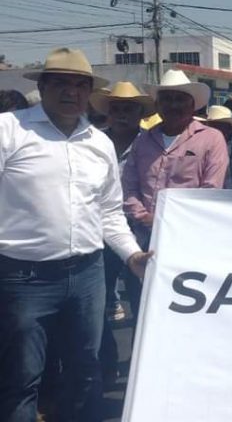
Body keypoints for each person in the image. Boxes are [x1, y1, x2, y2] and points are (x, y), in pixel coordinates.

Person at [0, 48, 151, 422]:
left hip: (87, 274)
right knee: (22, 377)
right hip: (23, 276)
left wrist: (132, 256)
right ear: (45, 86)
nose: (71, 92)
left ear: (89, 92)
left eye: (80, 85)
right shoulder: (10, 130)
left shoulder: (99, 143)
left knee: (86, 371)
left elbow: (109, 213)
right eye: (62, 83)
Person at [123, 69, 228, 314]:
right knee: (144, 305)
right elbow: (128, 187)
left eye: (180, 99)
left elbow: (211, 191)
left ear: (193, 105)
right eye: (167, 99)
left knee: (188, 303)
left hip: (191, 238)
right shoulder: (142, 141)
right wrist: (144, 217)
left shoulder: (211, 139)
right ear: (158, 104)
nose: (174, 105)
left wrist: (165, 221)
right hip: (144, 238)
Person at [89, 81, 154, 384]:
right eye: (116, 108)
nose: (122, 113)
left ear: (140, 112)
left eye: (129, 108)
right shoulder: (91, 142)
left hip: (139, 237)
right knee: (97, 303)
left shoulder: (150, 145)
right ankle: (106, 360)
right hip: (97, 234)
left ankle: (141, 365)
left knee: (142, 302)